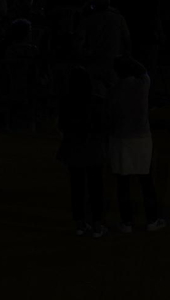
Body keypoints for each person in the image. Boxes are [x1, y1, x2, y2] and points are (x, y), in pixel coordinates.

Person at [108, 58, 166, 232]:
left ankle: (126, 222)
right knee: (146, 181)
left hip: (120, 139)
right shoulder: (142, 85)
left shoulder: (114, 90)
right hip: (141, 138)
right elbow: (143, 70)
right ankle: (152, 220)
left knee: (123, 183)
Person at [58, 67, 108, 237]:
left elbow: (61, 125)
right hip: (93, 149)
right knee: (96, 188)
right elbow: (103, 127)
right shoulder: (97, 102)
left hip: (74, 149)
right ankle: (97, 224)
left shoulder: (66, 102)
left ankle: (80, 223)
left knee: (77, 186)